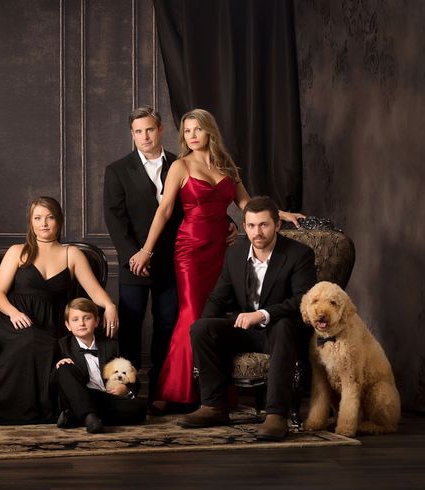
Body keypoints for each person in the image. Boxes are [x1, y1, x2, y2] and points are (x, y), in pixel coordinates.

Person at [130, 109, 303, 412]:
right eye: (186, 131)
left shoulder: (228, 168)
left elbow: (247, 204)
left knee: (212, 320)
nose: (192, 135)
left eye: (197, 129)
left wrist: (280, 215)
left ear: (210, 131)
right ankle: (173, 391)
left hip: (222, 254)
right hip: (190, 252)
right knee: (193, 316)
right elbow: (165, 210)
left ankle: (211, 394)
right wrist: (146, 249)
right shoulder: (180, 166)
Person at [104, 106, 236, 402]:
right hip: (134, 262)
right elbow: (115, 220)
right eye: (138, 131)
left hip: (173, 261)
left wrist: (228, 224)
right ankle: (128, 392)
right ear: (132, 135)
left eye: (150, 129)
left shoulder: (182, 162)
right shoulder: (117, 170)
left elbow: (196, 209)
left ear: (161, 129)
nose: (145, 136)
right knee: (132, 325)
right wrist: (134, 256)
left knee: (167, 325)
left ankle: (160, 391)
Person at [0, 197, 118, 424]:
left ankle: (30, 410)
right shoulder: (18, 251)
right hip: (10, 318)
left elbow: (94, 291)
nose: (44, 223)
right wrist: (13, 313)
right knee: (29, 339)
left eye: (49, 217)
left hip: (48, 322)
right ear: (31, 222)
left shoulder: (72, 253)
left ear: (59, 221)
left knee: (43, 341)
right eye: (37, 218)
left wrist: (110, 306)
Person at [176, 196, 316, 441]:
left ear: (277, 225)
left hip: (281, 330)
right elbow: (218, 298)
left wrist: (262, 314)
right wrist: (206, 328)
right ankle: (214, 406)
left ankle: (276, 414)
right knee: (201, 328)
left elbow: (303, 300)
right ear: (244, 226)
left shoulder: (298, 254)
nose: (257, 232)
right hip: (247, 330)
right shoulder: (235, 253)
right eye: (251, 226)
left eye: (264, 225)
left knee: (283, 326)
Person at [54, 297, 146, 433]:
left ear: (97, 321)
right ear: (68, 325)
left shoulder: (111, 345)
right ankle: (89, 416)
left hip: (106, 397)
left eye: (87, 318)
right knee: (64, 368)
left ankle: (75, 416)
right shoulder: (62, 346)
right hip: (80, 394)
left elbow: (132, 376)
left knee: (140, 408)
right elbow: (52, 381)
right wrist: (59, 366)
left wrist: (125, 389)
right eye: (75, 319)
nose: (82, 323)